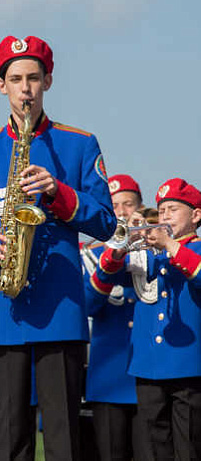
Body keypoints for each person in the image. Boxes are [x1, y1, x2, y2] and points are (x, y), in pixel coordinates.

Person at [0, 36, 117, 461]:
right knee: (10, 438)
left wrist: (59, 192)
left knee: (62, 437)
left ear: (48, 81)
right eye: (16, 79)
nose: (26, 89)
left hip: (60, 311)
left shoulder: (80, 143)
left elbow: (106, 221)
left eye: (34, 79)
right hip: (2, 308)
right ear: (1, 85)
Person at [90, 178, 201, 460]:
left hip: (189, 366)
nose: (164, 216)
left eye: (173, 209)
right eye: (162, 210)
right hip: (148, 366)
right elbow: (96, 290)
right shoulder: (147, 254)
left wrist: (171, 246)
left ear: (196, 216)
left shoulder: (191, 252)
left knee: (188, 446)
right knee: (154, 447)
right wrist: (117, 250)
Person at [81, 174, 150, 461]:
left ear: (141, 207)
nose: (122, 212)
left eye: (129, 204)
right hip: (109, 376)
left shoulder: (157, 249)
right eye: (115, 206)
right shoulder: (89, 254)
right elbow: (89, 303)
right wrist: (112, 260)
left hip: (150, 373)